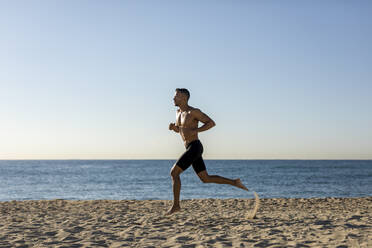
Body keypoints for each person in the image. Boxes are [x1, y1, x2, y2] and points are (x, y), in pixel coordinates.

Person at [167, 88, 248, 215]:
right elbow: (182, 130)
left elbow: (211, 123)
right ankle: (235, 182)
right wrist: (174, 128)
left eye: (176, 96)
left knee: (174, 173)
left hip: (195, 147)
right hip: (189, 147)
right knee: (205, 178)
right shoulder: (178, 113)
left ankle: (176, 206)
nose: (173, 98)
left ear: (184, 98)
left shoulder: (193, 112)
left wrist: (196, 131)